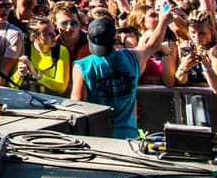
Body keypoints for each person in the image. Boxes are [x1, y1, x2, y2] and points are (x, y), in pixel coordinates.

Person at [71, 9, 171, 138]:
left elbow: (78, 106)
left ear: (88, 37)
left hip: (98, 138)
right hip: (128, 135)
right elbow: (153, 45)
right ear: (115, 37)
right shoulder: (133, 57)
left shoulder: (82, 67)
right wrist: (164, 21)